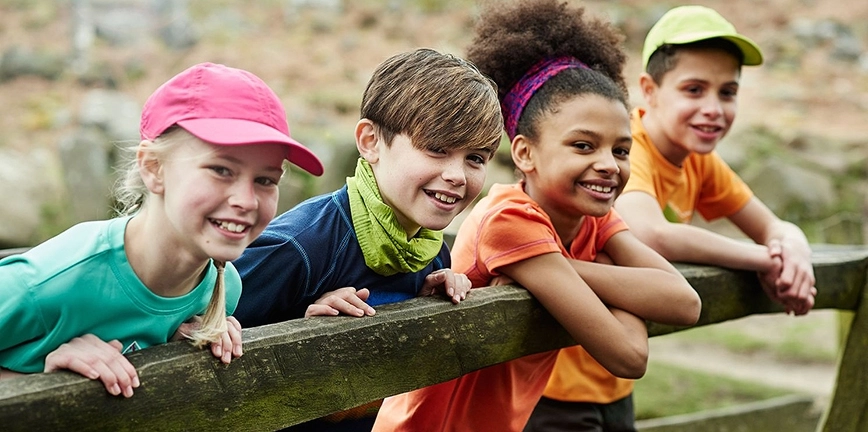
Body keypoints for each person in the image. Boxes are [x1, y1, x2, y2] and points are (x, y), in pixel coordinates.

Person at [373, 1, 701, 431]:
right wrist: (618, 280)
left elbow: (685, 302)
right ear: (525, 153)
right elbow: (629, 356)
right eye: (583, 146)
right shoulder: (509, 220)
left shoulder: (593, 219)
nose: (608, 164)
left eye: (621, 150)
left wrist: (569, 270)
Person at [0, 62, 324, 398]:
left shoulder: (223, 286)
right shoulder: (55, 280)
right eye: (221, 170)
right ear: (154, 168)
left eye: (265, 180)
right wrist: (40, 380)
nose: (247, 200)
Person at [232, 48, 503, 430]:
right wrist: (299, 328)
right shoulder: (301, 247)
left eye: (475, 157)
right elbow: (200, 333)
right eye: (437, 149)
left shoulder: (431, 254)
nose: (457, 174)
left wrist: (426, 306)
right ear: (371, 141)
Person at [618, 5, 816, 317]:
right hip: (558, 357)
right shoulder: (623, 145)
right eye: (694, 90)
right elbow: (652, 234)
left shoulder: (698, 160)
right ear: (649, 90)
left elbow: (774, 226)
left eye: (727, 93)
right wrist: (764, 258)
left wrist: (795, 252)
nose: (713, 108)